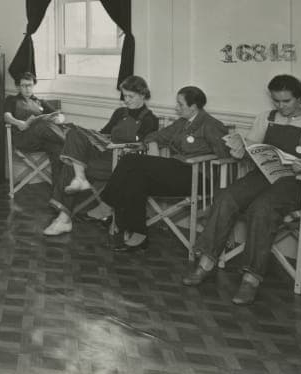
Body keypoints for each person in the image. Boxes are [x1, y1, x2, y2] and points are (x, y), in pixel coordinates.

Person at [182, 75, 301, 305]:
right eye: (276, 101)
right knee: (226, 197)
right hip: (263, 175)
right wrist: (240, 151)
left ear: (299, 98)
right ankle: (206, 263)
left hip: (297, 181)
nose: (280, 106)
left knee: (262, 208)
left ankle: (250, 278)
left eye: (286, 101)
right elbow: (251, 148)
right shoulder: (266, 118)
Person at [84, 85, 229, 251]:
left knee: (130, 160)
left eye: (180, 105)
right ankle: (139, 234)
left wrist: (218, 191)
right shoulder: (182, 123)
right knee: (135, 178)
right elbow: (154, 136)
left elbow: (225, 155)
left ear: (193, 106)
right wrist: (152, 146)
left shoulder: (210, 124)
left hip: (198, 176)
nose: (177, 108)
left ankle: (106, 206)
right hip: (175, 172)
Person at [42, 75, 159, 236]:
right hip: (106, 154)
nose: (126, 100)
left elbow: (144, 146)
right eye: (124, 96)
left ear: (143, 95)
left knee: (71, 163)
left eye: (130, 96)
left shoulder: (150, 119)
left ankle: (64, 218)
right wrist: (92, 136)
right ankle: (76, 184)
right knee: (75, 132)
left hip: (123, 163)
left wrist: (118, 146)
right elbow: (104, 133)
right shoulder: (120, 112)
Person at [3, 71, 68, 200]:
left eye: (30, 85)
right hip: (23, 139)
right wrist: (18, 122)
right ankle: (72, 142)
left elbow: (60, 114)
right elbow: (6, 116)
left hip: (41, 140)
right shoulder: (12, 99)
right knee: (43, 125)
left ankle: (58, 196)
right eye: (24, 86)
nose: (28, 89)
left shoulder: (39, 102)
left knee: (57, 149)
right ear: (18, 87)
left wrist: (59, 119)